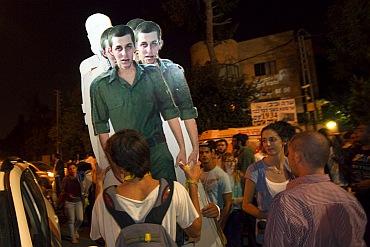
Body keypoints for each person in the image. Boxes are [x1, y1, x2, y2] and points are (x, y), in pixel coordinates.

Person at [90, 24, 186, 181]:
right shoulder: (100, 86)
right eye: (118, 48)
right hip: (129, 158)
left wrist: (182, 147)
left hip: (158, 152)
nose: (124, 53)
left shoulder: (153, 74)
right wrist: (114, 166)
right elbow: (102, 128)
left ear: (134, 47)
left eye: (128, 47)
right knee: (138, 203)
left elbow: (169, 111)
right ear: (111, 51)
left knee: (168, 198)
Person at [90, 129, 201, 247]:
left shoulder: (104, 201)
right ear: (147, 155)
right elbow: (195, 231)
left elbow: (98, 237)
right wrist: (193, 182)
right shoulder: (174, 191)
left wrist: (99, 183)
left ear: (119, 165)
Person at [264, 131, 367, 247]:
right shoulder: (349, 199)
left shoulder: (286, 202)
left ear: (297, 157)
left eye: (289, 153)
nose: (287, 158)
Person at [134, 21, 199, 182]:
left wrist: (194, 148)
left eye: (153, 44)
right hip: (149, 143)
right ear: (136, 47)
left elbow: (187, 111)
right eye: (143, 45)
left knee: (182, 187)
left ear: (160, 44)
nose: (149, 50)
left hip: (177, 137)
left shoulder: (173, 71)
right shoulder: (131, 76)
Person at [79, 13, 119, 189]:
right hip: (99, 127)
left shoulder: (129, 57)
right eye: (91, 32)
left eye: (102, 30)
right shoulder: (87, 66)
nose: (97, 35)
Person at [242, 121, 295, 245]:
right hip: (269, 231)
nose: (267, 144)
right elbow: (246, 204)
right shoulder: (254, 169)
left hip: (294, 229)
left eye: (272, 139)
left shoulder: (294, 166)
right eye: (264, 140)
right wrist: (267, 216)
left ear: (284, 140)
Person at [199, 141, 232, 230]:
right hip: (203, 218)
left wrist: (222, 222)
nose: (204, 155)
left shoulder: (221, 175)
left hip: (216, 218)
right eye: (201, 153)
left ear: (212, 153)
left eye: (207, 152)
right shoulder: (198, 173)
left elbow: (228, 202)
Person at [60, 162, 84, 244]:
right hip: (69, 202)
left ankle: (75, 229)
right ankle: (72, 237)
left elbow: (83, 187)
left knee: (80, 219)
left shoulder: (80, 177)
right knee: (71, 220)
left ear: (76, 168)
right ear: (68, 170)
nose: (72, 170)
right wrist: (67, 195)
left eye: (73, 168)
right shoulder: (65, 179)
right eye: (70, 169)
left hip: (78, 201)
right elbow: (62, 191)